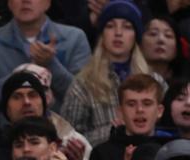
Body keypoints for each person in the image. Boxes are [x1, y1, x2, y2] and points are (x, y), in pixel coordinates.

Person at [59, 0, 150, 146]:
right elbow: (67, 138)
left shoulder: (153, 82)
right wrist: (112, 131)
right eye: (110, 26)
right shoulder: (83, 84)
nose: (118, 33)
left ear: (136, 35)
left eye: (127, 27)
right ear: (102, 34)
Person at [0, 0, 90, 103]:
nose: (25, 1)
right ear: (9, 3)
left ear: (48, 3)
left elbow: (86, 96)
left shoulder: (74, 37)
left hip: (61, 124)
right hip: (8, 126)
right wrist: (24, 74)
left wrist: (51, 64)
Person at [85, 74, 165, 160]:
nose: (139, 110)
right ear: (120, 112)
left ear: (159, 111)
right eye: (131, 104)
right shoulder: (101, 155)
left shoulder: (168, 150)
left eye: (147, 103)